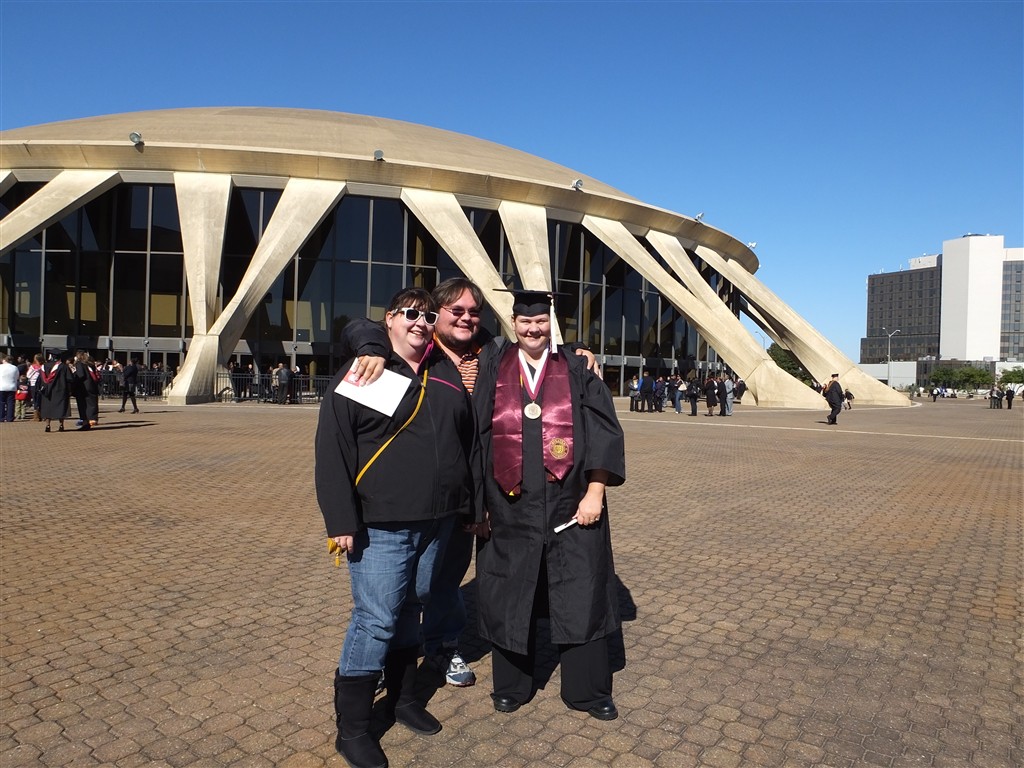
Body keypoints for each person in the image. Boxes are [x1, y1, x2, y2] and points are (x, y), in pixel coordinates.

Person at [342, 278, 599, 692]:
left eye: (474, 312)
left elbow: (536, 343)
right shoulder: (413, 350)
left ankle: (442, 646)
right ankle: (379, 663)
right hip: (402, 494)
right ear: (435, 313)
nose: (466, 318)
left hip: (466, 491)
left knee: (443, 579)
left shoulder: (490, 352)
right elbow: (361, 325)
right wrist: (370, 344)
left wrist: (580, 348)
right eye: (455, 310)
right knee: (393, 590)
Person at [315, 287, 481, 768]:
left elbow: (466, 444)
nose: (419, 322)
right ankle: (353, 728)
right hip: (381, 523)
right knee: (376, 619)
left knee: (413, 606)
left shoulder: (444, 372)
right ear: (388, 319)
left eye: (427, 316)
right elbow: (333, 447)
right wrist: (340, 520)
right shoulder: (368, 369)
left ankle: (404, 699)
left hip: (439, 520)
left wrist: (470, 506)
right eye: (410, 313)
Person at [473, 290, 625, 721]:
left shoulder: (577, 366)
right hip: (508, 505)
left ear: (550, 322)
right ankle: (511, 686)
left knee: (581, 589)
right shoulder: (494, 364)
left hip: (571, 504)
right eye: (525, 321)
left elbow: (604, 432)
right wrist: (478, 506)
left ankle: (588, 691)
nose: (533, 329)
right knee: (509, 590)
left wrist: (595, 492)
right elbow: (477, 435)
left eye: (540, 321)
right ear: (513, 323)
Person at [39, 351, 72, 432]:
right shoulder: (63, 366)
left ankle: (47, 425)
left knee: (47, 408)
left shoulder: (44, 366)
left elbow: (40, 380)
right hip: (60, 390)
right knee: (60, 407)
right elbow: (69, 379)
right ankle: (61, 425)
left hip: (47, 390)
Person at [71, 351, 100, 429]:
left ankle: (85, 422)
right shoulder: (90, 364)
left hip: (83, 387)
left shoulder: (79, 364)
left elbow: (81, 375)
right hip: (92, 385)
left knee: (83, 404)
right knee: (92, 403)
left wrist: (74, 377)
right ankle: (93, 418)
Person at [0, 355, 18, 422]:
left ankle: (1, 417)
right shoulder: (15, 368)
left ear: (4, 360)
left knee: (1, 402)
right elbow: (17, 376)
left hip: (1, 386)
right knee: (10, 403)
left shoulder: (0, 367)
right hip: (11, 386)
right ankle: (10, 418)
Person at [27, 353, 44, 421]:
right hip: (42, 384)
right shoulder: (43, 366)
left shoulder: (33, 366)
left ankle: (36, 415)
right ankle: (42, 414)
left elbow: (28, 375)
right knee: (41, 399)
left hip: (33, 384)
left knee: (35, 399)